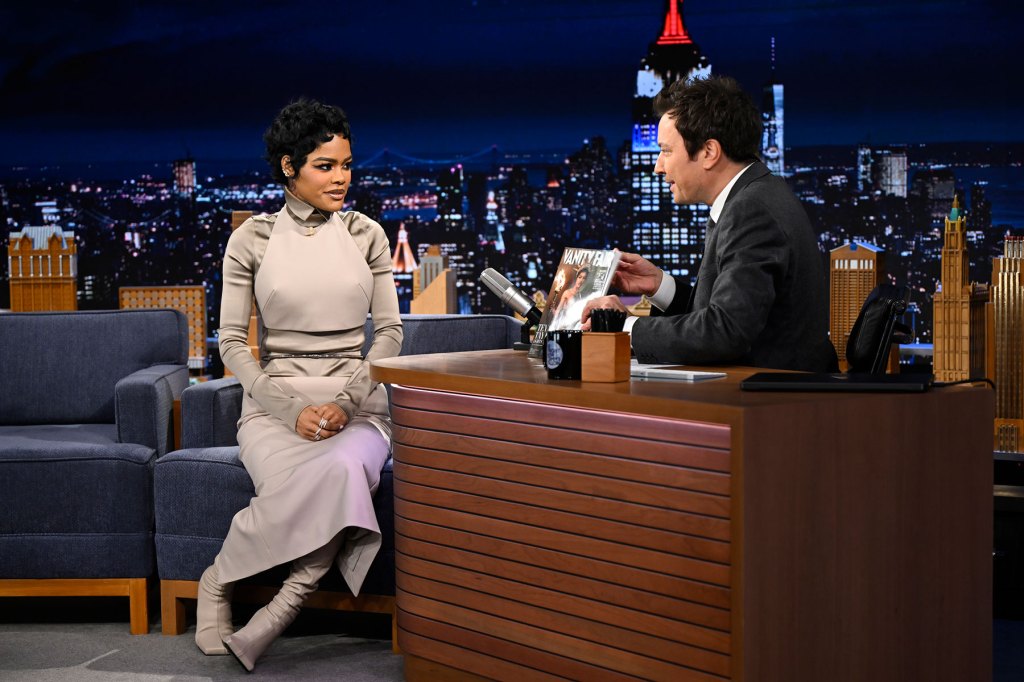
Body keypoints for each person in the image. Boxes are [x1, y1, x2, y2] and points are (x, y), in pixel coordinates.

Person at [194, 99, 402, 671]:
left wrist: (346, 402)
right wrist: (290, 411)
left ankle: (276, 606)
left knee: (343, 467)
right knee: (327, 476)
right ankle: (218, 581)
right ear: (289, 167)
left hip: (358, 402)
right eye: (325, 166)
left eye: (347, 165)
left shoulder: (367, 234)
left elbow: (389, 333)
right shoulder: (252, 239)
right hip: (274, 404)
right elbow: (231, 342)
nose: (341, 178)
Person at [582, 76, 837, 372]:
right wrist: (659, 285)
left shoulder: (751, 210)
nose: (658, 166)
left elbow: (725, 331)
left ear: (709, 152)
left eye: (666, 151)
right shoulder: (751, 196)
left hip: (770, 395)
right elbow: (725, 314)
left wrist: (623, 326)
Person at [550, 265, 590, 330]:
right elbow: (558, 312)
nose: (581, 280)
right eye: (580, 277)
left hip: (576, 326)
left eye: (584, 278)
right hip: (564, 326)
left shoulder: (581, 295)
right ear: (577, 278)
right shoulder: (567, 293)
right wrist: (553, 309)